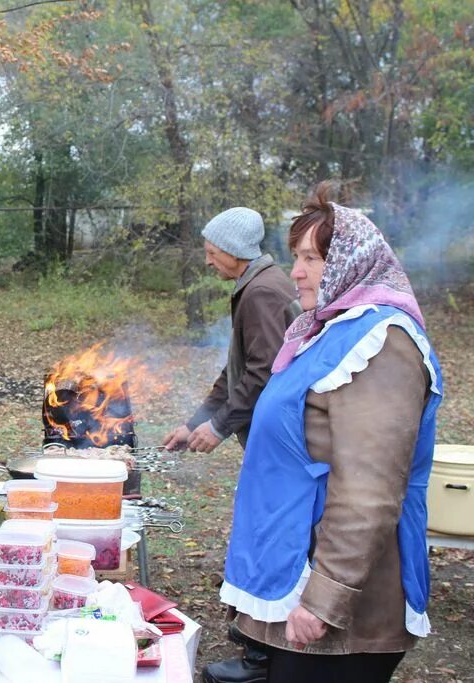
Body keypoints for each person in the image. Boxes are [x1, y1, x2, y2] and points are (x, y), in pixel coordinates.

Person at [218, 183, 442, 683]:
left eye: (312, 259)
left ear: (352, 263)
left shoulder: (382, 344)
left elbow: (370, 490)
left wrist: (325, 600)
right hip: (291, 571)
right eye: (296, 256)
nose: (295, 271)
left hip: (343, 616)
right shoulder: (329, 332)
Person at [163, 207, 300, 454]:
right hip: (275, 424)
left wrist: (218, 427)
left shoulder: (261, 292)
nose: (207, 261)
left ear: (234, 252)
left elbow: (263, 370)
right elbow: (238, 368)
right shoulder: (260, 282)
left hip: (281, 430)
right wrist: (194, 424)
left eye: (212, 253)